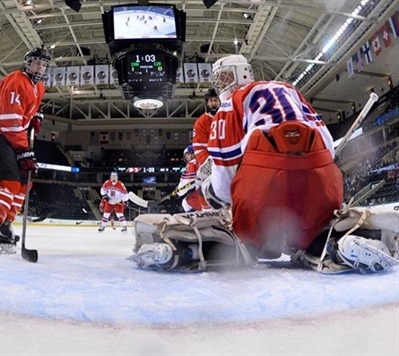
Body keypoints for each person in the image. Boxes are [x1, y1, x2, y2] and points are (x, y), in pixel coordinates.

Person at [129, 54, 398, 274]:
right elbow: (327, 144)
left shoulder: (229, 105)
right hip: (320, 174)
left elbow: (224, 186)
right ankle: (342, 242)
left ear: (240, 74)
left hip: (263, 180)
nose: (222, 83)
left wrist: (213, 192)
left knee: (240, 240)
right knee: (315, 234)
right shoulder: (288, 89)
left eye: (224, 76)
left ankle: (182, 249)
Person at [0, 46, 51, 254]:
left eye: (43, 64)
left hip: (6, 137)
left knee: (24, 182)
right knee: (7, 182)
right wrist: (24, 150)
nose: (39, 67)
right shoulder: (16, 81)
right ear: (27, 63)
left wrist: (35, 117)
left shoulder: (39, 87)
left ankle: (4, 225)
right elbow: (10, 121)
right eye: (36, 62)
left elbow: (27, 110)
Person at [176, 145, 211, 212]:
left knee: (186, 202)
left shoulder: (192, 163)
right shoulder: (208, 159)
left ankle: (199, 218)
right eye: (187, 155)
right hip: (217, 189)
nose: (188, 157)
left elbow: (187, 181)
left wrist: (179, 191)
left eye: (189, 154)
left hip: (205, 193)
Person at [192, 88, 221, 165]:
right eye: (211, 101)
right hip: (214, 162)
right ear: (207, 103)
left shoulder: (229, 115)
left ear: (220, 102)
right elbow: (199, 148)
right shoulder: (201, 122)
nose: (213, 103)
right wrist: (209, 164)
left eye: (216, 100)